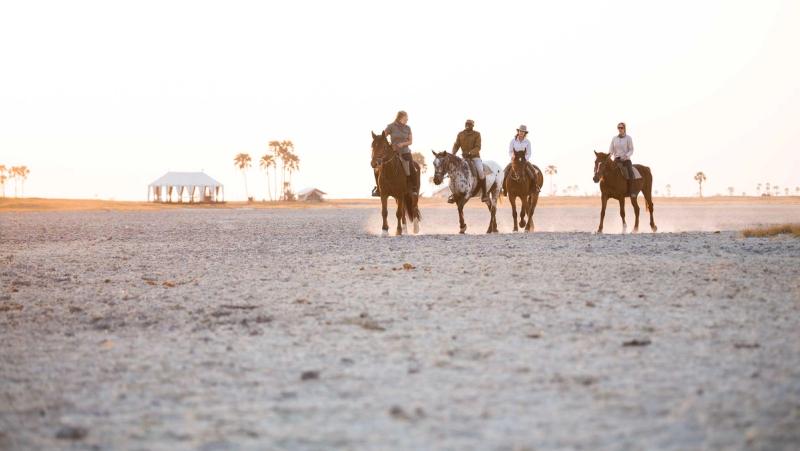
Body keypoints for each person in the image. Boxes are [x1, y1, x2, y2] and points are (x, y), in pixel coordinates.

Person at [372, 110, 418, 196]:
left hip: (405, 152)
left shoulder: (408, 128)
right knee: (377, 168)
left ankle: (413, 188)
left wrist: (402, 144)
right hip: (393, 152)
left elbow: (410, 141)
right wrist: (376, 139)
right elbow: (383, 137)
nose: (407, 120)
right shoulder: (391, 126)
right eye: (406, 118)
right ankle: (378, 189)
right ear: (400, 118)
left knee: (412, 168)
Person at [451, 119, 487, 202]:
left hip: (475, 157)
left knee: (480, 172)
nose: (468, 125)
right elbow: (456, 145)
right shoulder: (460, 134)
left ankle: (484, 194)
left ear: (472, 126)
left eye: (470, 124)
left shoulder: (477, 134)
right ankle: (454, 193)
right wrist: (453, 153)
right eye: (466, 124)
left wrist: (470, 153)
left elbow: (478, 147)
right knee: (455, 171)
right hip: (464, 158)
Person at [502, 125, 538, 193]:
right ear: (518, 131)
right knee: (504, 172)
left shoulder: (527, 142)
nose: (521, 132)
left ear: (525, 133)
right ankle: (504, 189)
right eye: (520, 131)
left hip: (524, 161)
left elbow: (529, 153)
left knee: (534, 173)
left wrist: (524, 159)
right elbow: (510, 151)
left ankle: (535, 188)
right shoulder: (513, 141)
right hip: (514, 161)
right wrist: (512, 156)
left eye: (523, 132)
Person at [609, 122, 635, 196]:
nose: (620, 129)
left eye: (621, 128)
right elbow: (611, 150)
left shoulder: (628, 138)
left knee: (630, 172)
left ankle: (631, 191)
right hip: (616, 159)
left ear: (624, 128)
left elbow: (631, 149)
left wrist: (626, 156)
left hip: (626, 160)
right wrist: (608, 157)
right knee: (609, 171)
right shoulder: (614, 138)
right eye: (618, 128)